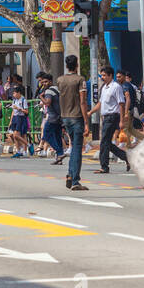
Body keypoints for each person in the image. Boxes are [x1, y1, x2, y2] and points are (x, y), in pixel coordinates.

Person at [56, 55, 89, 190]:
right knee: (76, 148)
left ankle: (70, 174)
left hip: (65, 117)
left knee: (73, 146)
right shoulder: (80, 80)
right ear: (77, 65)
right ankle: (75, 179)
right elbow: (83, 101)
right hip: (77, 117)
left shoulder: (60, 80)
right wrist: (87, 121)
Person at [94, 67, 129, 173]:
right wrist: (91, 112)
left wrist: (122, 120)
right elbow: (100, 103)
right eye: (101, 75)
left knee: (104, 142)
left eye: (104, 75)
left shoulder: (116, 87)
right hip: (106, 117)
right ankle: (127, 158)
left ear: (110, 76)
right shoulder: (104, 87)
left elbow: (121, 104)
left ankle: (104, 166)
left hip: (113, 117)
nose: (102, 77)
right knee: (107, 143)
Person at [37, 72, 65, 164]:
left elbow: (48, 103)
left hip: (52, 117)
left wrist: (41, 97)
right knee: (57, 136)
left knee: (46, 135)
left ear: (50, 81)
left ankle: (59, 152)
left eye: (45, 82)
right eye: (43, 82)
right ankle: (59, 158)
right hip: (60, 116)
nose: (44, 84)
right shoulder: (57, 89)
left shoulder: (49, 91)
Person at [7, 85, 32, 157]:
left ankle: (25, 149)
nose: (13, 95)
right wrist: (11, 121)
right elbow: (13, 111)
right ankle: (19, 150)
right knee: (14, 135)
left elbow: (26, 111)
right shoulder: (14, 100)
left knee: (21, 135)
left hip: (21, 118)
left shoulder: (23, 100)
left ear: (19, 93)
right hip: (15, 118)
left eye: (14, 93)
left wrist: (19, 108)